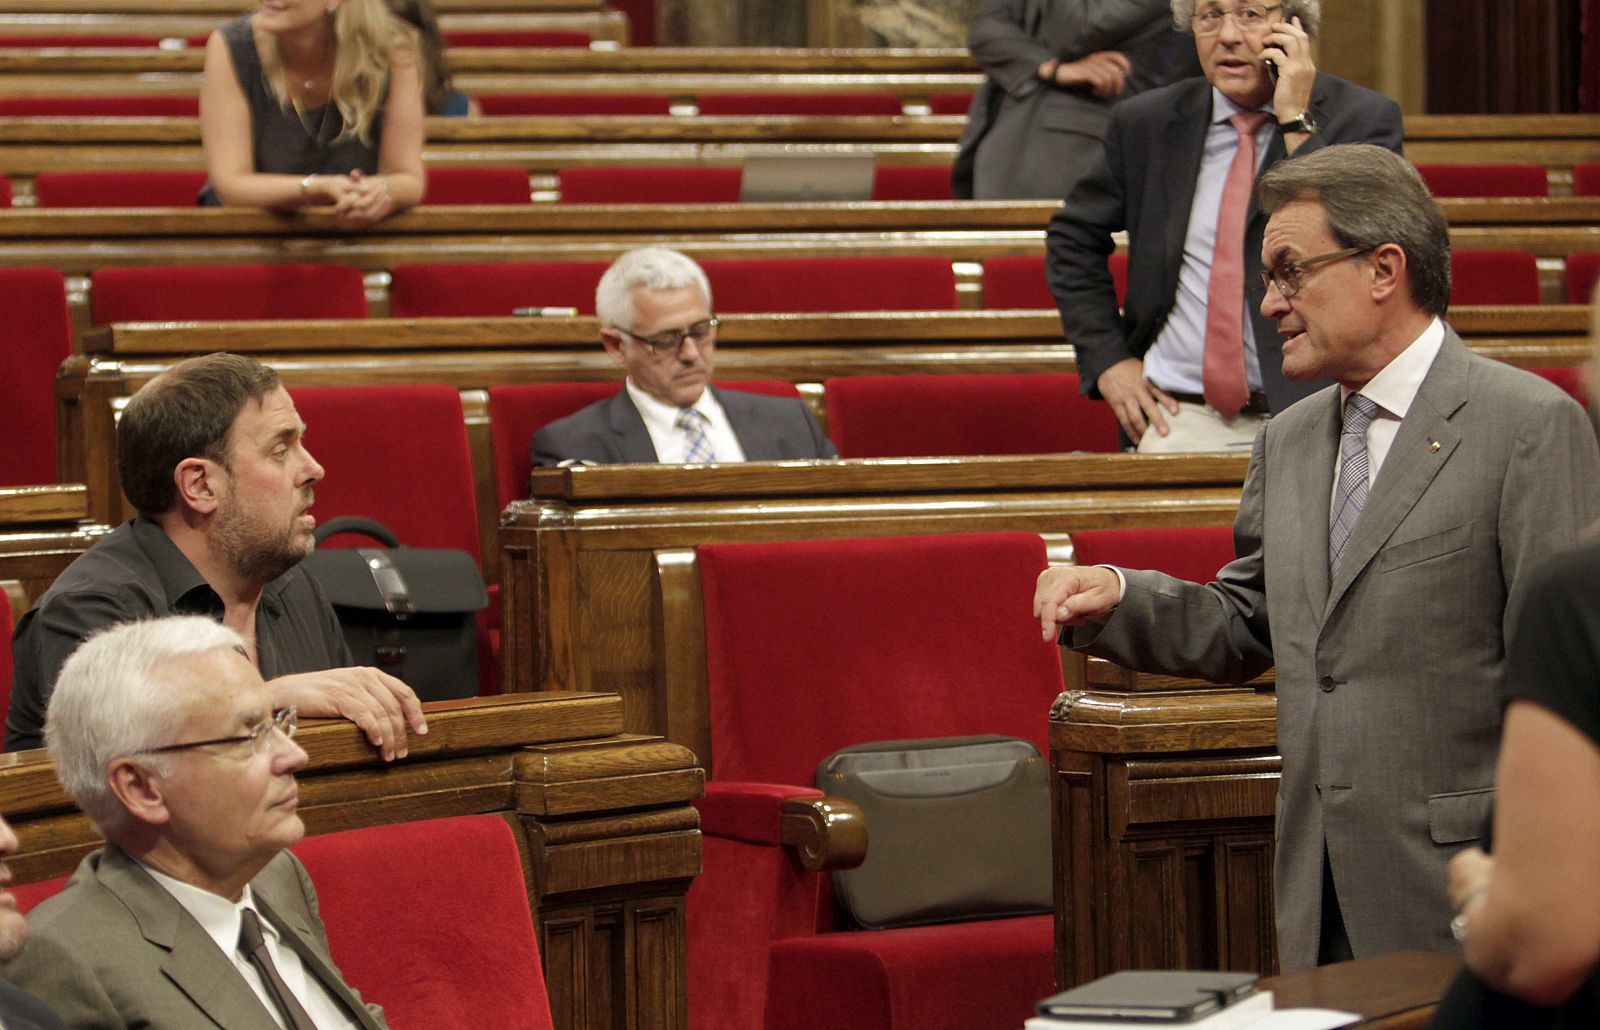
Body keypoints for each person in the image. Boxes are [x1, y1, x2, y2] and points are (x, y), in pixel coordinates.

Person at [1032, 143, 1600, 972]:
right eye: (1268, 278)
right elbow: (1253, 620)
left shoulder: (1527, 426)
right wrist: (1117, 597)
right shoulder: (1291, 440)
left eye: (1289, 271)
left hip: (1464, 891)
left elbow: (1564, 690)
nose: (1270, 303)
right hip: (1317, 886)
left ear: (1384, 268)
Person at [6, 352, 425, 760]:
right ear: (201, 485)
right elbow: (127, 776)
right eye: (280, 451)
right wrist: (267, 698)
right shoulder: (93, 609)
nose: (313, 468)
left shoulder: (291, 585)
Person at [1046, 0, 1403, 452]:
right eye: (1211, 15)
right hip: (1179, 413)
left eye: (1250, 14)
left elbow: (1363, 246)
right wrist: (1108, 360)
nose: (1229, 35)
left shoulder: (1364, 119)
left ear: (1294, 28)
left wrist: (1295, 120)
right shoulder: (1146, 122)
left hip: (1320, 411)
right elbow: (1072, 239)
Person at [4, 617, 388, 1028]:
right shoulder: (64, 958)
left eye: (276, 723)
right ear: (141, 788)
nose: (295, 755)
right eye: (249, 736)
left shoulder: (274, 875)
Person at [532, 248, 838, 466]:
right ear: (616, 346)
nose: (691, 353)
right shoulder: (575, 448)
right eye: (665, 340)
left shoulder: (791, 423)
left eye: (701, 330)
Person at [199, 0, 426, 222]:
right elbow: (231, 184)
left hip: (353, 232)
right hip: (252, 234)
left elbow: (409, 179)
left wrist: (379, 190)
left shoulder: (391, 47)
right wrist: (317, 188)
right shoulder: (231, 45)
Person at [956, 0, 1199, 200]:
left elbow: (1075, 31)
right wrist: (1048, 66)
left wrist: (1051, 60)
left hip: (1081, 149)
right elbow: (984, 29)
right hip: (1006, 138)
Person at [385, 0, 478, 116]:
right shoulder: (364, 111)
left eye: (399, 33)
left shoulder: (461, 108)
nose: (391, 45)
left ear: (425, 41)